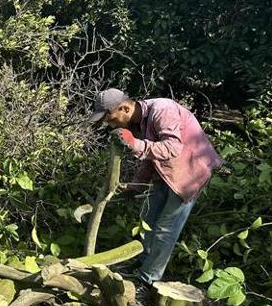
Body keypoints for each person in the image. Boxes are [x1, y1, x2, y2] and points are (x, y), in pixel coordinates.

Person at [88, 88, 223, 286]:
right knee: (147, 221)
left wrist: (135, 144)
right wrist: (134, 187)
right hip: (166, 172)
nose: (108, 123)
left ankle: (148, 280)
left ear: (124, 108)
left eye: (110, 118)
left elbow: (172, 148)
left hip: (190, 173)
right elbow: (151, 159)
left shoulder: (162, 110)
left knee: (165, 230)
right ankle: (143, 263)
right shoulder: (138, 121)